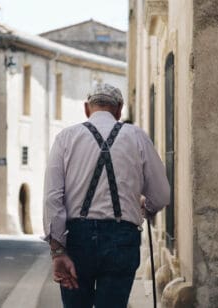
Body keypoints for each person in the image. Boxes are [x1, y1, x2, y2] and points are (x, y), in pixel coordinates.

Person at [43, 83, 170, 308]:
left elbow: (53, 198)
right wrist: (145, 209)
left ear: (86, 109)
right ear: (119, 109)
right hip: (122, 238)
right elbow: (160, 195)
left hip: (77, 239)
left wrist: (58, 251)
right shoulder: (137, 136)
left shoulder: (65, 138)